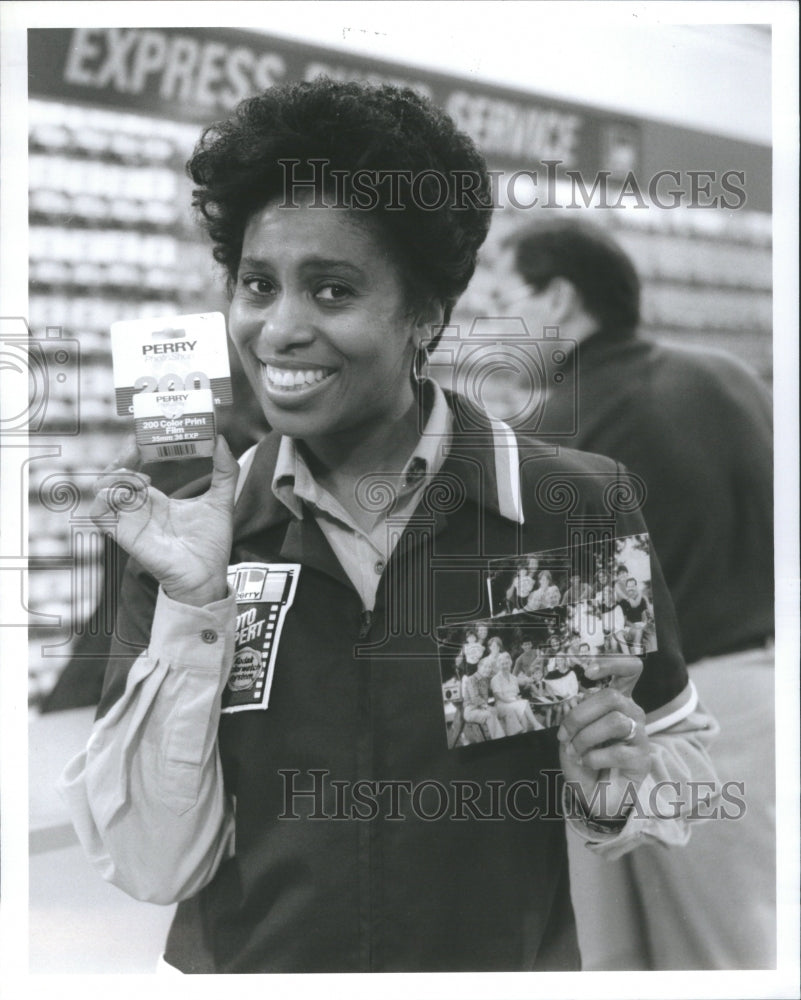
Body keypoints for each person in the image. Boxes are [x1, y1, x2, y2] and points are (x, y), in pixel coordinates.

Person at [60, 80, 717, 974]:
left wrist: (615, 786)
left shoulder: (565, 509)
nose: (279, 329)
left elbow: (671, 759)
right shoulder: (195, 537)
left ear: (426, 318)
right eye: (257, 285)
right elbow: (151, 862)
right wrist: (193, 607)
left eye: (332, 291)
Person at [500, 215, 774, 969]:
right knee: (735, 945)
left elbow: (541, 632)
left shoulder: (556, 428)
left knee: (637, 957)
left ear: (554, 297)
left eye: (499, 295)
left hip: (650, 726)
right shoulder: (729, 376)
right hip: (765, 695)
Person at [490, 651, 542, 734]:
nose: (505, 666)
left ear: (510, 664)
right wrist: (515, 701)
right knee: (524, 703)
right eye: (502, 664)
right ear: (499, 665)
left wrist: (517, 700)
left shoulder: (514, 678)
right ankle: (536, 725)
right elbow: (499, 697)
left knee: (524, 717)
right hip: (502, 705)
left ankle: (526, 731)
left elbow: (517, 695)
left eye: (506, 663)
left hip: (514, 703)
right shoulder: (495, 679)